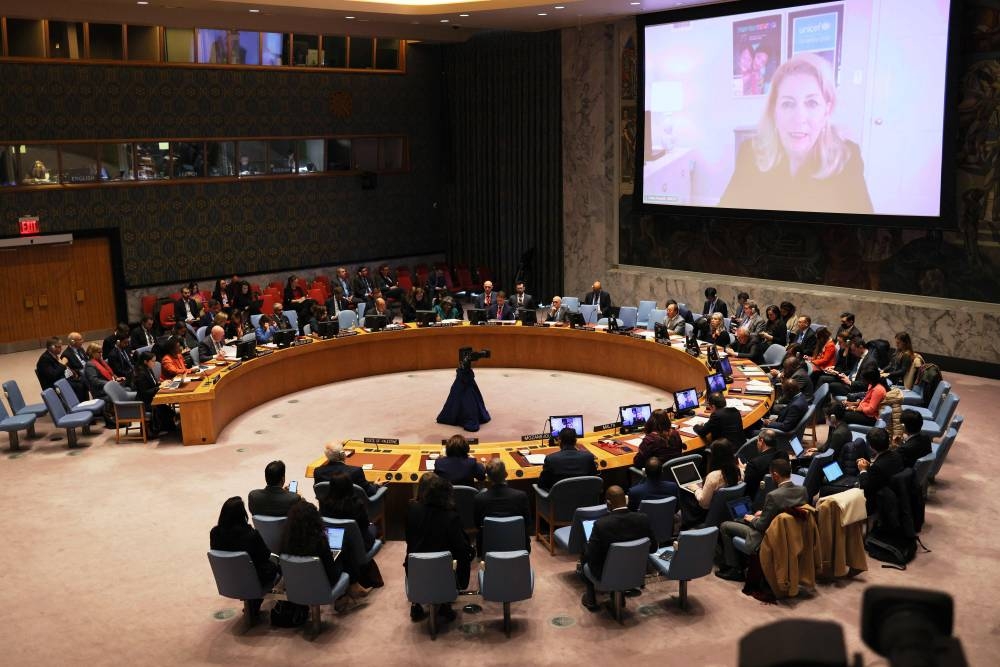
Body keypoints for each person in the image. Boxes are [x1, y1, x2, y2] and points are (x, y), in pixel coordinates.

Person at [718, 53, 873, 214]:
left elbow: (864, 233)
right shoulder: (750, 152)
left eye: (812, 103)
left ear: (827, 110)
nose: (799, 118)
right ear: (774, 110)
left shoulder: (846, 157)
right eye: (788, 104)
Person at [717, 458, 808, 580]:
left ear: (775, 475)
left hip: (766, 536)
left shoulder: (773, 496)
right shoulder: (802, 490)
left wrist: (751, 519)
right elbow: (788, 510)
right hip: (791, 534)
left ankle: (735, 569)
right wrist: (764, 512)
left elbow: (761, 526)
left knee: (725, 526)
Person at [404, 473, 473, 622]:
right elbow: (461, 548)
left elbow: (409, 539)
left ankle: (416, 603)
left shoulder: (412, 510)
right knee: (461, 555)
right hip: (444, 571)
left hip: (416, 568)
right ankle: (444, 603)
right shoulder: (450, 516)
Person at [579, 485, 657, 611]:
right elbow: (653, 548)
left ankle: (591, 598)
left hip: (607, 575)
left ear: (608, 503)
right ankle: (619, 594)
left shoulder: (601, 525)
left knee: (585, 552)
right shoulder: (643, 519)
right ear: (626, 500)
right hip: (637, 572)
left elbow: (592, 556)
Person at [282, 499, 360, 606]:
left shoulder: (286, 541)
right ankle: (351, 587)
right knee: (343, 547)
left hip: (296, 583)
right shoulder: (319, 543)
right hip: (324, 583)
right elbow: (332, 572)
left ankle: (351, 588)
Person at [209, 497, 278, 616]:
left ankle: (252, 605)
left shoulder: (215, 533)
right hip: (253, 578)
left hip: (228, 578)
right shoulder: (251, 535)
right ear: (243, 515)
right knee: (277, 564)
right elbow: (265, 555)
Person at [319, 472, 382, 590]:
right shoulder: (357, 504)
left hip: (335, 543)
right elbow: (364, 524)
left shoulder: (324, 503)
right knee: (373, 527)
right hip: (359, 544)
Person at [473, 460, 531, 552]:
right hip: (519, 545)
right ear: (506, 474)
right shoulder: (521, 496)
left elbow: (477, 525)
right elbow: (527, 523)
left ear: (487, 478)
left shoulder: (479, 499)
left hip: (488, 548)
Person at [857, 427, 903, 515]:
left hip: (877, 502)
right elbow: (884, 471)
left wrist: (863, 471)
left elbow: (865, 488)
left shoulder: (877, 467)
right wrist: (870, 466)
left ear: (871, 447)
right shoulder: (897, 455)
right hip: (895, 494)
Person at [314, 441, 384, 497]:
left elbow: (319, 493)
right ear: (343, 454)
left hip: (327, 511)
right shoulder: (356, 471)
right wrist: (376, 485)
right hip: (353, 512)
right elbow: (370, 492)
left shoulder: (318, 472)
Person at [133, 350, 176, 434]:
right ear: (145, 361)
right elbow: (145, 392)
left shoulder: (148, 369)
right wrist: (159, 387)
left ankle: (167, 428)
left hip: (152, 398)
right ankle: (162, 429)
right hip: (145, 402)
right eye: (152, 361)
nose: (155, 363)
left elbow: (153, 384)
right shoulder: (141, 374)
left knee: (169, 411)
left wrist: (162, 383)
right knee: (166, 411)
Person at [740, 429, 784, 504]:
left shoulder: (754, 464)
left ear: (761, 441)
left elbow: (747, 489)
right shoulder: (783, 455)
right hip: (780, 496)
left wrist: (742, 471)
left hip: (756, 501)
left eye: (757, 441)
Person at [82, 343, 119, 428]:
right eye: (99, 352)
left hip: (108, 387)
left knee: (126, 388)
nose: (101, 354)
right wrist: (109, 383)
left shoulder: (100, 362)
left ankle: (122, 417)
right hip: (100, 391)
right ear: (92, 353)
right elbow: (94, 381)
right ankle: (112, 421)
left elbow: (109, 374)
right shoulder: (90, 365)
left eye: (101, 352)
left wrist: (116, 379)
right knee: (118, 394)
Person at [61, 332, 92, 401]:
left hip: (87, 371)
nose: (82, 341)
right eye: (80, 339)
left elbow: (86, 360)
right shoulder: (66, 355)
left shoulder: (81, 349)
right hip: (80, 376)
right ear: (73, 342)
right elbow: (68, 370)